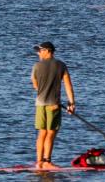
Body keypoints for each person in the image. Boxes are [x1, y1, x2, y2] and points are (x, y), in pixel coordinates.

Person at [30, 41, 75, 170]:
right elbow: (68, 85)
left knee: (42, 133)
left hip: (39, 105)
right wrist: (71, 103)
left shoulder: (36, 66)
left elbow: (35, 85)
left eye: (40, 50)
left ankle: (39, 162)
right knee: (50, 134)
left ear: (48, 51)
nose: (38, 53)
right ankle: (47, 162)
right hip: (53, 105)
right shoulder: (61, 65)